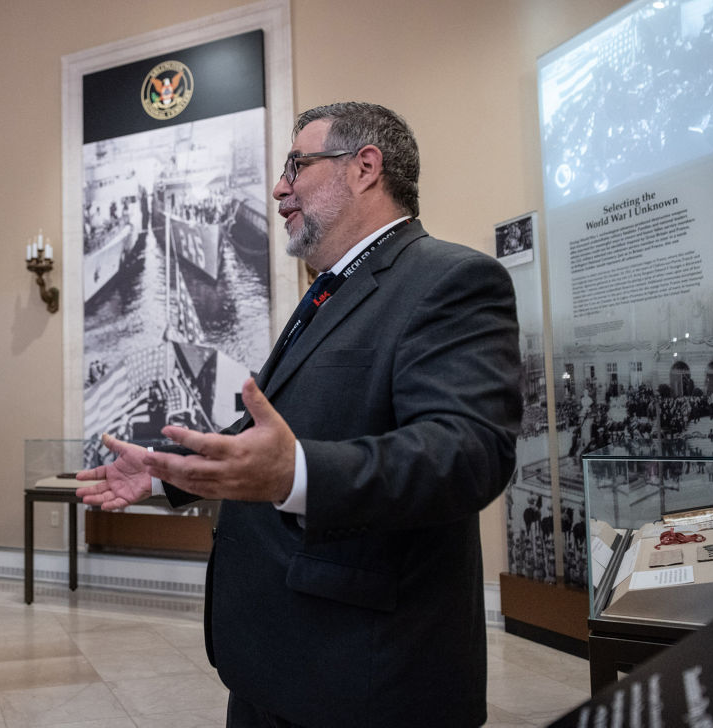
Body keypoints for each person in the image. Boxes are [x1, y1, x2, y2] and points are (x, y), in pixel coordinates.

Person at [76, 102, 521, 726]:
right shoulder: (328, 288)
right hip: (278, 659)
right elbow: (278, 424)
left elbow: (469, 452)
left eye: (296, 165)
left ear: (365, 167)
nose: (279, 188)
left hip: (365, 672)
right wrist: (167, 472)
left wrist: (299, 474)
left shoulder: (451, 279)